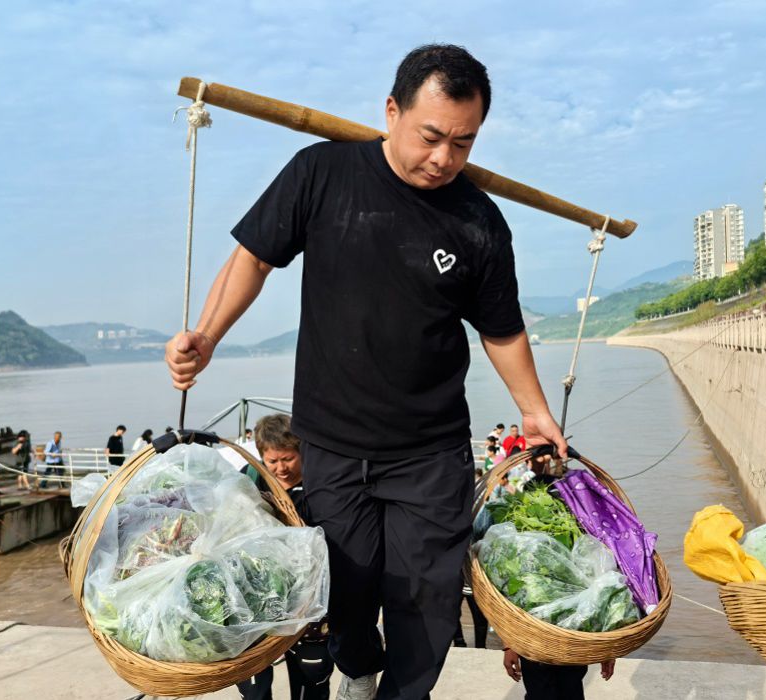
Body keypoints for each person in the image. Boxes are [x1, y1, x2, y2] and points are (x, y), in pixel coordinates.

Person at [164, 44, 567, 700]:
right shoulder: (320, 173)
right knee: (343, 593)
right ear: (391, 111)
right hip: (332, 442)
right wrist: (207, 336)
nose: (442, 158)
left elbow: (500, 328)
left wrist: (534, 411)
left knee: (426, 603)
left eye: (462, 144)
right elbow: (253, 258)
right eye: (430, 136)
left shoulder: (478, 222)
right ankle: (358, 667)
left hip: (429, 452)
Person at [499, 457, 615, 698]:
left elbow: (600, 593)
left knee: (565, 690)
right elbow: (508, 601)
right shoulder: (521, 547)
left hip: (566, 642)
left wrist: (606, 649)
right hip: (539, 641)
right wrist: (510, 645)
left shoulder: (579, 541)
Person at [236, 414, 333, 700]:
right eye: (273, 461)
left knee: (312, 678)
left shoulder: (322, 487)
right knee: (253, 684)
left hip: (309, 603)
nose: (281, 468)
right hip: (259, 598)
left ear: (301, 451)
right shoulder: (250, 478)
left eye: (287, 459)